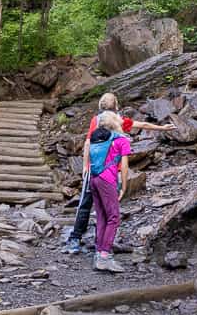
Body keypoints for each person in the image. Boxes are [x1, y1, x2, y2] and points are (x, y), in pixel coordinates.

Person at [64, 91, 177, 255]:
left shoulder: (96, 120)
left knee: (86, 204)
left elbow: (88, 142)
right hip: (109, 172)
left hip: (94, 169)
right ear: (117, 106)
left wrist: (85, 166)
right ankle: (101, 244)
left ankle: (77, 239)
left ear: (100, 105)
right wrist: (162, 127)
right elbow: (143, 125)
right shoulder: (119, 121)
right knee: (107, 208)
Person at [88, 110, 130, 272]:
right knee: (114, 217)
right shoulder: (122, 140)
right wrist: (124, 186)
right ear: (115, 122)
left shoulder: (96, 138)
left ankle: (99, 252)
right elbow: (124, 166)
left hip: (94, 178)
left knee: (101, 216)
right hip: (107, 180)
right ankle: (104, 256)